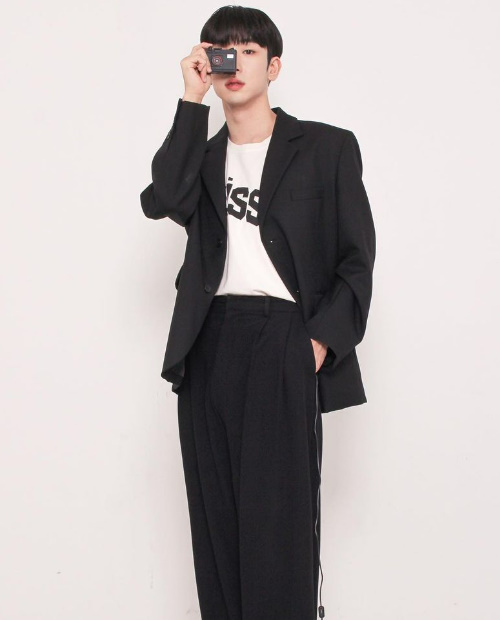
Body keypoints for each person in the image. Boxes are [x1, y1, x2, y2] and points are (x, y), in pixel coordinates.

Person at [139, 6, 376, 619]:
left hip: (283, 341)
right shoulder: (200, 157)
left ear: (274, 67)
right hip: (208, 344)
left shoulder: (325, 148)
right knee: (217, 528)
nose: (234, 62)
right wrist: (191, 100)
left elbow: (356, 261)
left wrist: (317, 344)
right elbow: (162, 198)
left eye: (248, 51)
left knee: (277, 529)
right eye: (222, 51)